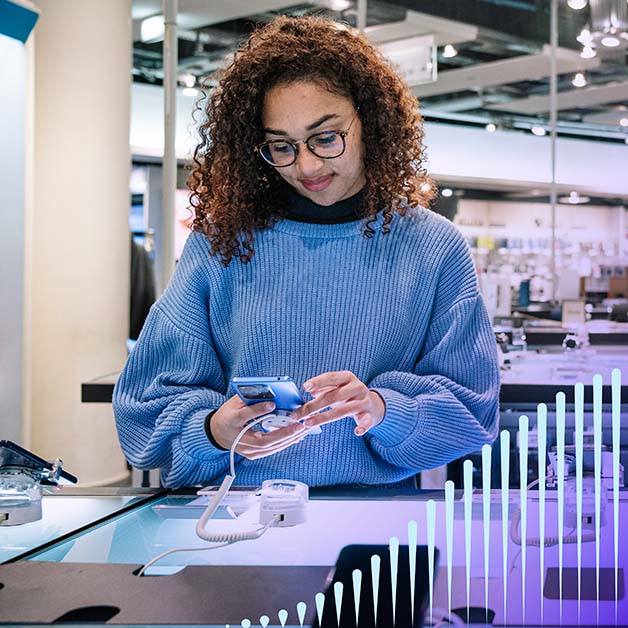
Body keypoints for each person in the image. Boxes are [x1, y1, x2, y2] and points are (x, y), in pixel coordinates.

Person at [113, 15, 500, 489]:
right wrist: (214, 430)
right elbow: (144, 406)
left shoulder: (434, 247)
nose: (308, 165)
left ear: (369, 119)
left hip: (377, 528)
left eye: (325, 137)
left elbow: (472, 410)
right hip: (231, 518)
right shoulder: (221, 243)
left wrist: (381, 408)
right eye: (282, 146)